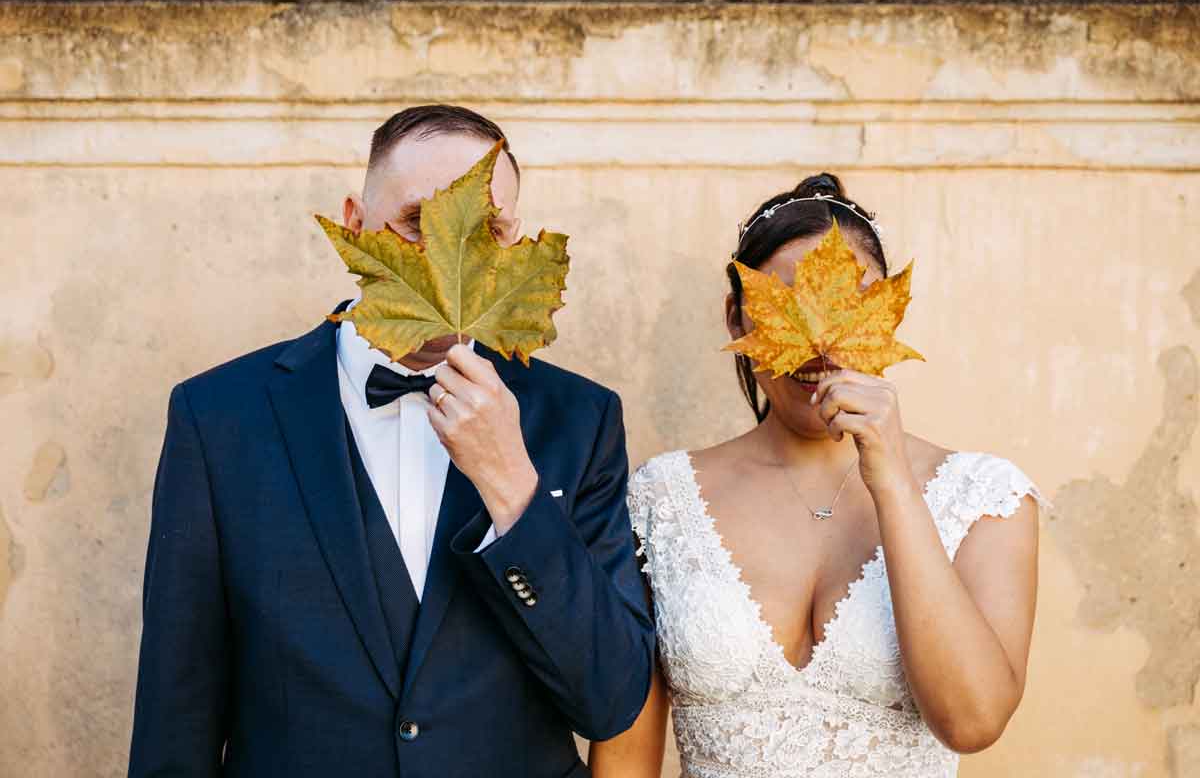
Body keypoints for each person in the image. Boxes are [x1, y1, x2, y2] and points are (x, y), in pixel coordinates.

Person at [128, 105, 654, 778]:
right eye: (416, 222)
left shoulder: (579, 420)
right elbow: (178, 708)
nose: (448, 257)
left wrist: (513, 489)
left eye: (486, 230)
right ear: (355, 225)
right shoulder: (218, 419)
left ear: (515, 240)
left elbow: (610, 700)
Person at [589, 174, 1043, 778]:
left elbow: (973, 721)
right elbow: (626, 749)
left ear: (887, 317)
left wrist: (893, 483)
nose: (819, 347)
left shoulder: (988, 498)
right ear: (737, 319)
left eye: (851, 306)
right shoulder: (659, 498)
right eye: (787, 309)